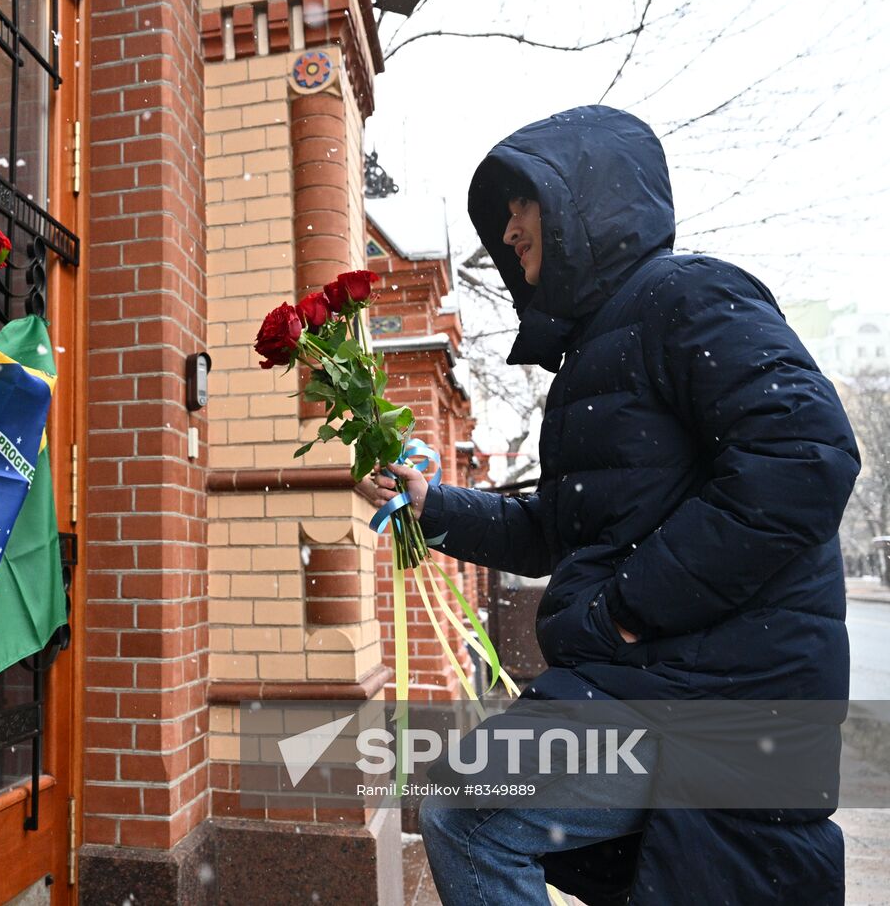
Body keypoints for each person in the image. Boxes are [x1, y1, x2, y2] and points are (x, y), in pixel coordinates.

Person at [358, 105, 859, 904]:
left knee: (471, 806)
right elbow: (554, 529)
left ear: (583, 199)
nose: (509, 225)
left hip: (713, 698)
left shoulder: (686, 294)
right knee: (471, 806)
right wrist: (434, 506)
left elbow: (806, 456)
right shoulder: (596, 354)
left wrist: (631, 606)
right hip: (651, 688)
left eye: (523, 201)